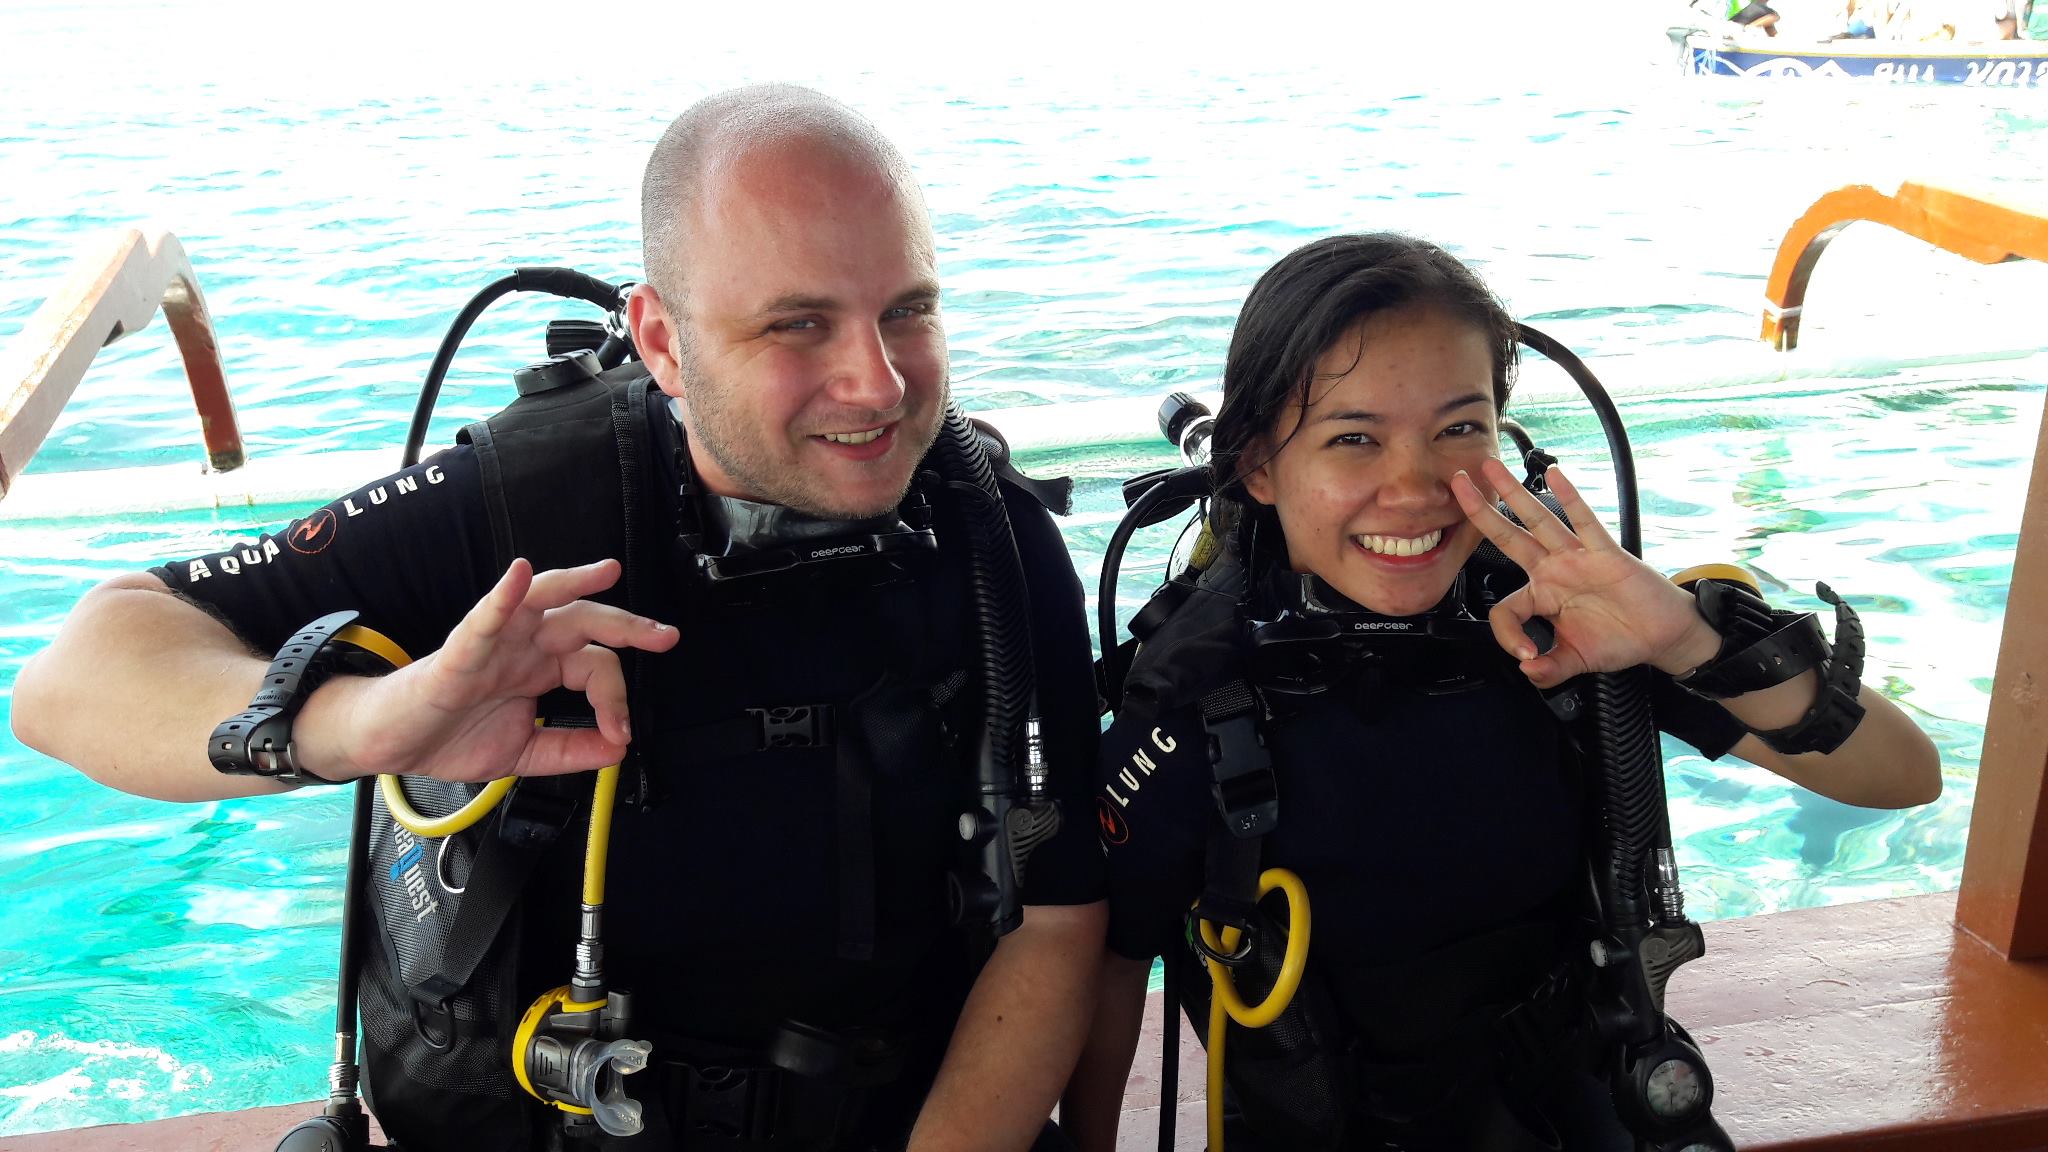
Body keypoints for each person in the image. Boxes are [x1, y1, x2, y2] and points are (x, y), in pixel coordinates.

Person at [11, 84, 1106, 1152]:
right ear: (663, 342)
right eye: (797, 324)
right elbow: (74, 676)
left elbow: (1057, 918)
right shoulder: (526, 516)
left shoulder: (990, 537)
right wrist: (373, 719)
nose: (877, 384)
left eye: (907, 311)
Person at [1062, 233, 1941, 1151]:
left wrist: (1690, 640)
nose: (1414, 488)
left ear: (1501, 436)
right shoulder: (1203, 695)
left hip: (1576, 1102)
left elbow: (1902, 775)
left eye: (1458, 430)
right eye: (1354, 438)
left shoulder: (1568, 622)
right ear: (1258, 466)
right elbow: (1110, 970)